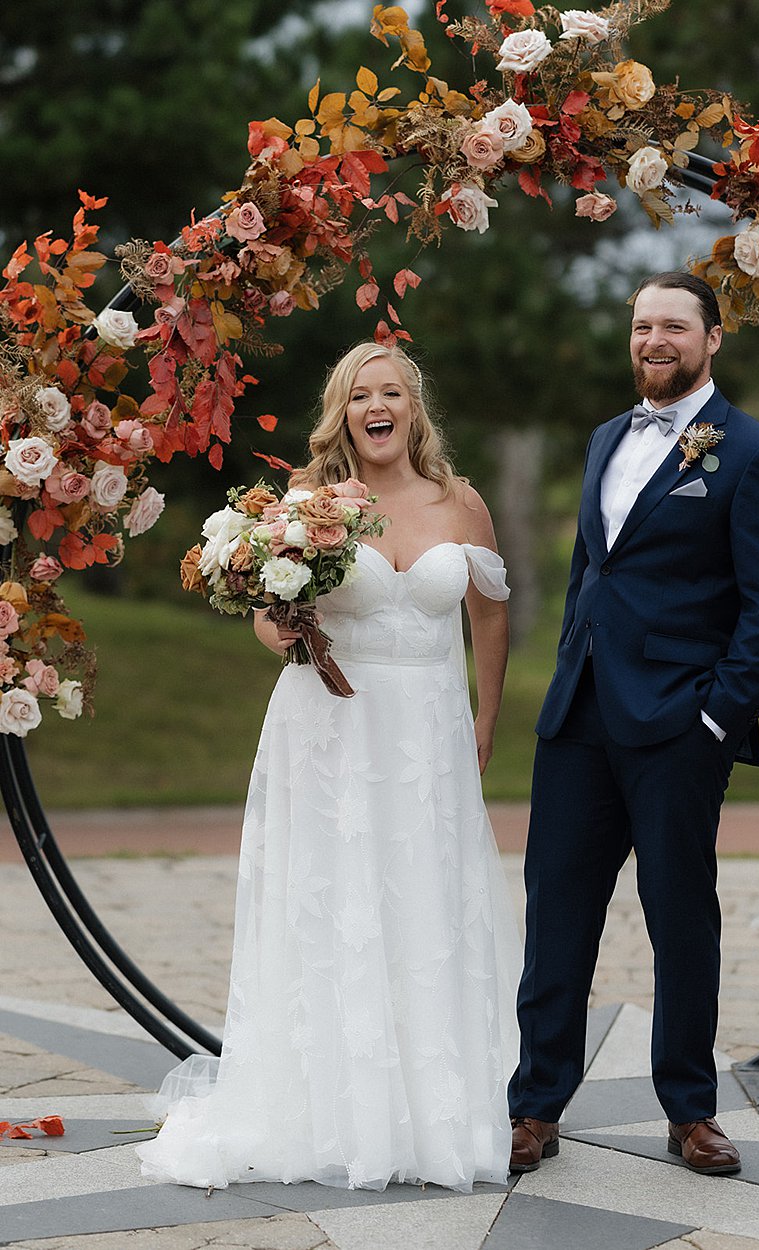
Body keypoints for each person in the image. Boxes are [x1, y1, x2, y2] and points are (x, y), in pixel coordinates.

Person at [137, 342, 520, 1193]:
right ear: (341, 413)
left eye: (390, 393)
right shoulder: (310, 505)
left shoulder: (461, 505)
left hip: (425, 734)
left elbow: (489, 616)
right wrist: (277, 628)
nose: (374, 408)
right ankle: (323, 1114)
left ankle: (432, 1122)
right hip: (328, 730)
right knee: (333, 902)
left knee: (422, 904)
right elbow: (269, 610)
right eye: (358, 396)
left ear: (414, 411)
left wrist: (485, 714)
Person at [506, 271, 759, 1176]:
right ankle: (534, 1107)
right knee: (555, 917)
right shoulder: (607, 437)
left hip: (679, 727)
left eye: (674, 325)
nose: (654, 340)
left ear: (712, 340)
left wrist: (717, 719)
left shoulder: (754, 455)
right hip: (578, 720)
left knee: (680, 919)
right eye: (642, 326)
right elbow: (591, 574)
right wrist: (566, 672)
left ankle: (689, 1111)